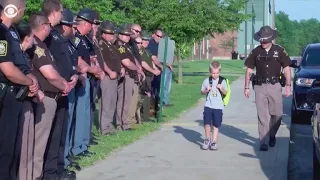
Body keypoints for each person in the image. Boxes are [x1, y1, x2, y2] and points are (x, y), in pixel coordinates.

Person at [27, 11, 71, 179]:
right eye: (49, 27)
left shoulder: (40, 44)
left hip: (46, 96)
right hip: (44, 98)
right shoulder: (37, 45)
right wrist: (64, 85)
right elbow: (50, 75)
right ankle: (35, 176)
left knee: (40, 142)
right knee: (38, 144)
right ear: (44, 26)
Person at [0, 1, 38, 179]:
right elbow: (7, 69)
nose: (23, 14)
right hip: (6, 95)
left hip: (11, 95)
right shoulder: (1, 32)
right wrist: (28, 81)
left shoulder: (10, 32)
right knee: (5, 149)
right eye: (22, 10)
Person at [244, 26, 292, 151]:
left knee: (277, 114)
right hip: (259, 87)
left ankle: (272, 134)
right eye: (261, 40)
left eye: (265, 40)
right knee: (262, 115)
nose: (263, 42)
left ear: (271, 39)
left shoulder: (280, 51)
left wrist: (288, 86)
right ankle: (263, 141)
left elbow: (287, 69)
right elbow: (249, 70)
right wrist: (246, 87)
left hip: (275, 86)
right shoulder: (256, 52)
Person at [15, 21, 44, 180]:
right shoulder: (14, 55)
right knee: (21, 145)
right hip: (19, 102)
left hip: (28, 102)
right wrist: (31, 84)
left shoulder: (24, 55)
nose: (34, 41)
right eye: (32, 38)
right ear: (26, 38)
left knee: (27, 143)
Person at [98, 20, 121, 135]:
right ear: (104, 33)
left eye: (113, 33)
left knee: (112, 102)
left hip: (114, 76)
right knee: (106, 103)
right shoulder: (101, 44)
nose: (112, 35)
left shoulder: (110, 45)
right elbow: (101, 61)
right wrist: (109, 71)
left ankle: (109, 124)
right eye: (110, 33)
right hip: (108, 76)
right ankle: (104, 127)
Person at [200, 61, 228, 151]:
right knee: (207, 123)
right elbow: (202, 92)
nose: (215, 75)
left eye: (217, 73)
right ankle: (207, 139)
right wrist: (206, 90)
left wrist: (221, 88)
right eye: (213, 73)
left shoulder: (222, 81)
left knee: (216, 124)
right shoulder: (206, 81)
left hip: (218, 106)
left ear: (219, 72)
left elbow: (226, 92)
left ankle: (214, 141)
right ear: (210, 72)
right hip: (208, 105)